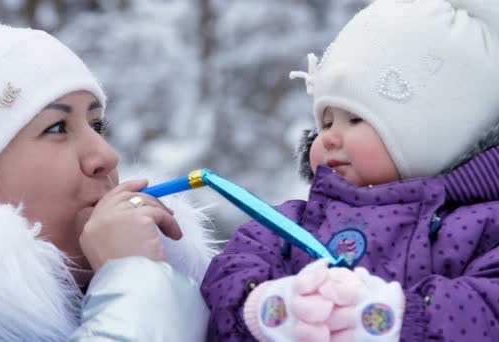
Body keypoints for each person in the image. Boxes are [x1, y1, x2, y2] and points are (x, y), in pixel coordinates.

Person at [0, 1, 215, 340]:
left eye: (97, 124)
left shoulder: (185, 293)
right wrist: (138, 279)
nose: (106, 155)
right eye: (58, 128)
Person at [201, 0, 499, 341]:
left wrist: (395, 318)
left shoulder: (482, 226)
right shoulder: (292, 224)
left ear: (440, 132)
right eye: (325, 121)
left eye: (356, 119)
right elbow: (229, 272)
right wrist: (269, 308)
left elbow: (489, 307)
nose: (328, 138)